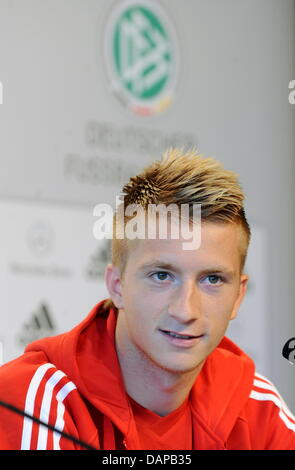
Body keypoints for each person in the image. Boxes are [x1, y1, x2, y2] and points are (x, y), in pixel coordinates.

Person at [0, 148, 294, 450]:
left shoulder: (260, 410)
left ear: (238, 296)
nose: (185, 310)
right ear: (116, 286)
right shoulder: (31, 401)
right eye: (162, 276)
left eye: (212, 279)